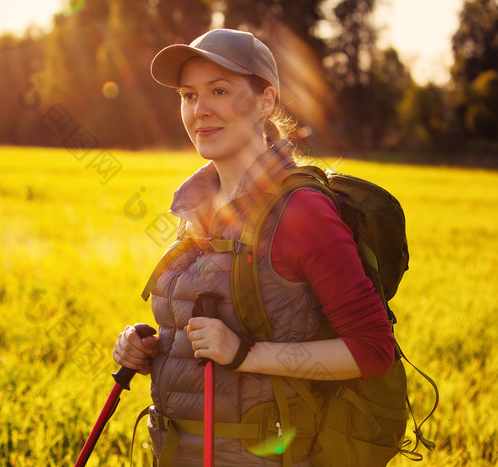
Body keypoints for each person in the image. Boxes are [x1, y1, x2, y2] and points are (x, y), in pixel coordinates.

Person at [113, 28, 395, 466]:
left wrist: (246, 354)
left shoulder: (301, 211)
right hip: (174, 447)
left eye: (219, 91)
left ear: (265, 102)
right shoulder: (197, 206)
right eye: (188, 96)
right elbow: (212, 329)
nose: (199, 110)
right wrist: (151, 346)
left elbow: (373, 348)